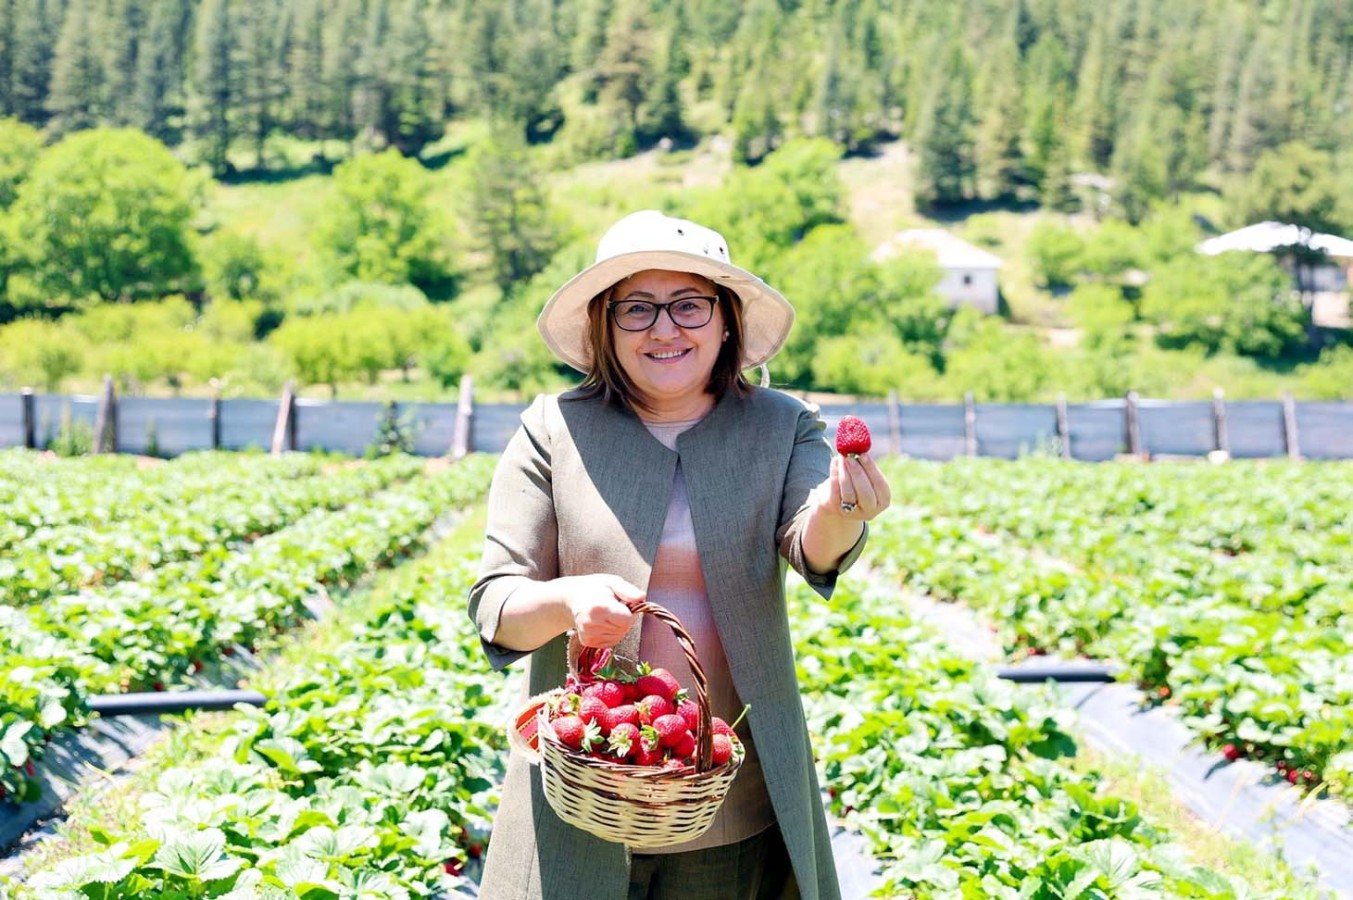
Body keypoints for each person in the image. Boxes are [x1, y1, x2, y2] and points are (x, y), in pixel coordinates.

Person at [468, 209, 891, 900]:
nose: (664, 328)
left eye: (689, 304)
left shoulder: (781, 424)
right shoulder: (554, 428)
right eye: (636, 309)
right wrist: (567, 600)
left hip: (727, 794)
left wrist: (843, 507)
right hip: (583, 783)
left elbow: (812, 545)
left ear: (726, 319)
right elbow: (497, 606)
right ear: (604, 326)